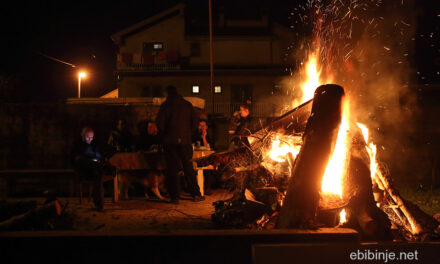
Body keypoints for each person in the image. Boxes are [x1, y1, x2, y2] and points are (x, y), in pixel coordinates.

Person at [156, 85, 204, 204]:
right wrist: (187, 134)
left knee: (172, 169)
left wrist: (166, 135)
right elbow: (194, 122)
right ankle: (195, 194)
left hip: (170, 142)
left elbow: (160, 123)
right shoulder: (187, 105)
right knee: (188, 167)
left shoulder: (166, 106)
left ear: (167, 93)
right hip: (185, 141)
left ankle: (175, 197)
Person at [72, 127, 105, 210]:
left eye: (92, 137)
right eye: (88, 137)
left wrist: (96, 158)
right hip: (84, 171)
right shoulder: (77, 144)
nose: (90, 139)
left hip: (94, 170)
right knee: (97, 173)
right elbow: (76, 159)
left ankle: (98, 203)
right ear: (82, 136)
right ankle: (98, 203)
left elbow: (99, 155)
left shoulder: (93, 144)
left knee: (98, 172)